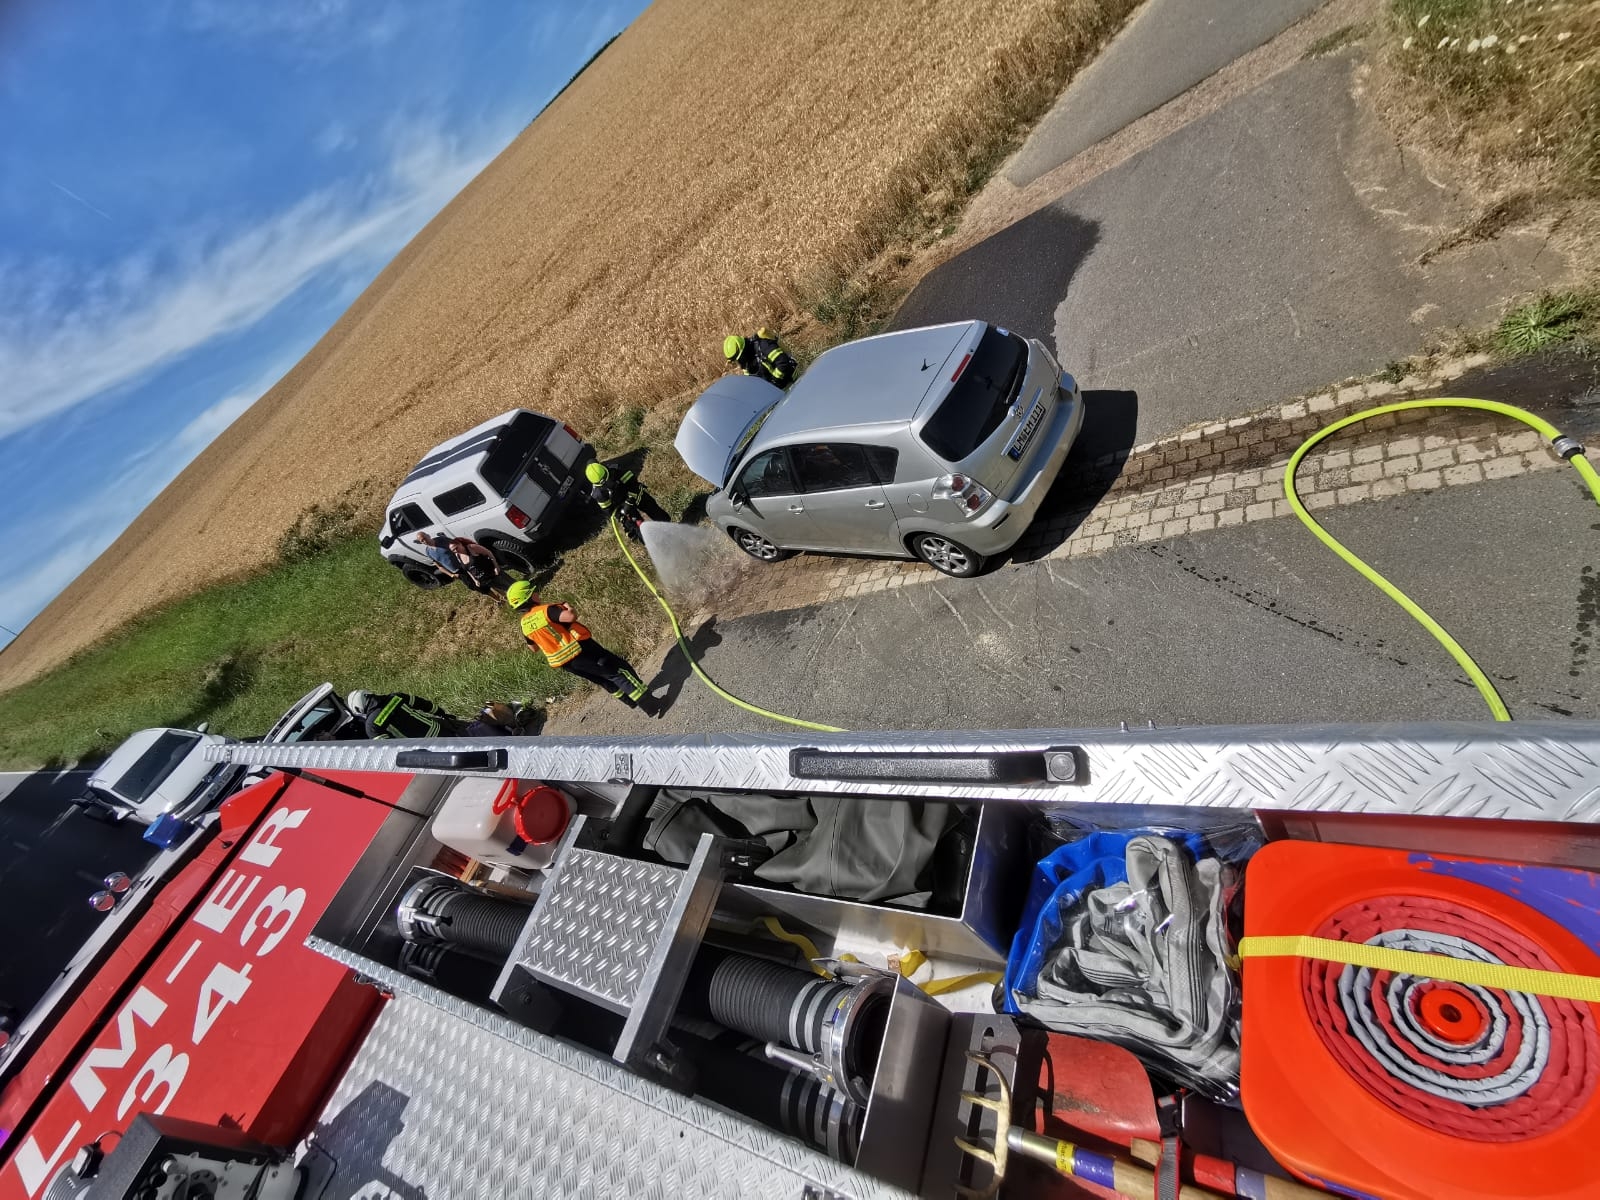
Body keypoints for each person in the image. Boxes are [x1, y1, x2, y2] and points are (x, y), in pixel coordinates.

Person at [506, 580, 658, 715]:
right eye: (533, 591)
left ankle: (630, 701)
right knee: (618, 671)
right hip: (582, 651)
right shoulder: (546, 610)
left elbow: (533, 649)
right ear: (530, 597)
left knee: (603, 680)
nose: (537, 593)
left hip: (566, 664)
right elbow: (570, 617)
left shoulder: (524, 625)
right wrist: (568, 607)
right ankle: (651, 705)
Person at [585, 461, 668, 541]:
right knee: (636, 526)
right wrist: (621, 515)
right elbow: (609, 510)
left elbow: (633, 482)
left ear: (605, 470)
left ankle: (668, 525)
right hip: (621, 506)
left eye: (607, 478)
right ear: (597, 484)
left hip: (632, 492)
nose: (608, 482)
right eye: (604, 483)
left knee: (651, 507)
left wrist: (630, 499)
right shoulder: (598, 494)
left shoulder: (616, 469)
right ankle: (650, 542)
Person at [347, 689, 468, 739]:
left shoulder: (371, 727)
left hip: (426, 747)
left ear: (359, 709)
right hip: (437, 728)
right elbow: (423, 704)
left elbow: (390, 750)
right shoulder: (396, 697)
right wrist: (441, 713)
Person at [723, 329, 798, 389]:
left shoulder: (763, 346)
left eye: (738, 359)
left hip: (793, 380)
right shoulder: (746, 363)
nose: (739, 362)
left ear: (743, 351)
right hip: (778, 391)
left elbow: (782, 362)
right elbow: (752, 382)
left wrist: (774, 382)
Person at [447, 536, 513, 597]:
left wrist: (496, 567)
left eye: (456, 548)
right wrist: (475, 580)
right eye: (453, 551)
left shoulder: (471, 547)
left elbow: (489, 553)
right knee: (506, 591)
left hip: (493, 573)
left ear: (460, 544)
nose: (456, 551)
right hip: (485, 579)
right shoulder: (458, 556)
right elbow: (468, 569)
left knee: (511, 585)